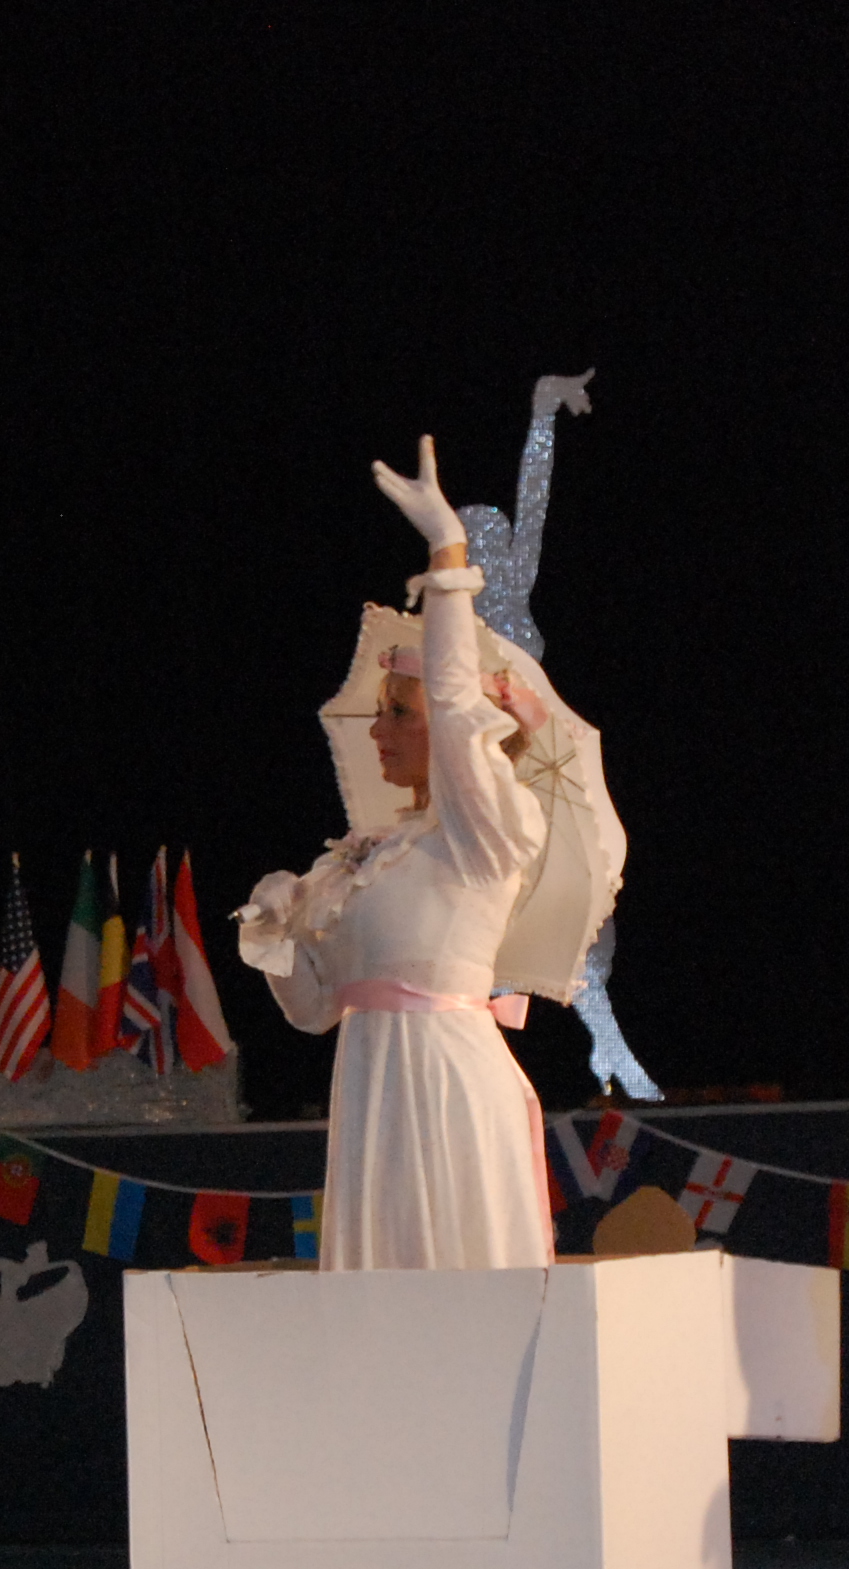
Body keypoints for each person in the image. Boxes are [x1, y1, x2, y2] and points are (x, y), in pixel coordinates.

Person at [238, 438, 552, 1270]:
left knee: (459, 1276)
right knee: (380, 1289)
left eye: (398, 713)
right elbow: (314, 1009)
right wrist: (275, 930)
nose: (379, 729)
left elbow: (451, 699)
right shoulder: (369, 852)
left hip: (445, 1083)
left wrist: (448, 559)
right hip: (371, 1092)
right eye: (379, 712)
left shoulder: (485, 831)